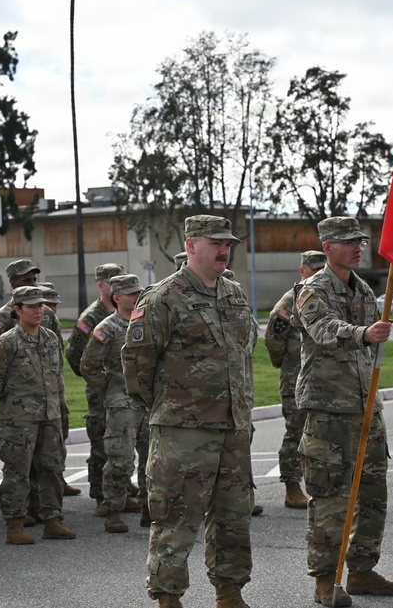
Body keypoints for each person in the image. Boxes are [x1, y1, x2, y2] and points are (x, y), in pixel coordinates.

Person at [123, 215, 255, 608]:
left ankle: (229, 592)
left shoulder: (234, 294)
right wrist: (170, 407)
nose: (223, 249)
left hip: (232, 426)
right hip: (184, 429)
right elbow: (136, 364)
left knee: (234, 518)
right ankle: (168, 597)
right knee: (176, 518)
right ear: (191, 244)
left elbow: (242, 354)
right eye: (215, 242)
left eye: (228, 243)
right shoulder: (164, 296)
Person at [293, 217, 393, 606]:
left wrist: (374, 335)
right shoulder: (311, 290)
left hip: (366, 405)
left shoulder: (364, 289)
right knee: (330, 496)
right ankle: (326, 580)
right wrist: (364, 333)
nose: (358, 247)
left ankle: (361, 570)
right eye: (347, 241)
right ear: (327, 247)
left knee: (373, 491)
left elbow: (370, 346)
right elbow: (323, 329)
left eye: (360, 240)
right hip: (328, 409)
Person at [0, 286, 74, 545]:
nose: (38, 310)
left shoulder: (51, 338)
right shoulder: (7, 341)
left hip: (50, 415)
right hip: (19, 419)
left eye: (40, 305)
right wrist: (14, 400)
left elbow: (57, 376)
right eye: (32, 306)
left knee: (52, 468)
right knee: (17, 471)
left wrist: (57, 408)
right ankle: (15, 523)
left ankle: (52, 520)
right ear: (17, 310)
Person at [80, 274, 149, 534]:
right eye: (130, 293)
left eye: (137, 292)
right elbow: (88, 364)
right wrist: (108, 387)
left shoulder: (148, 322)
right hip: (121, 402)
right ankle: (113, 510)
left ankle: (148, 507)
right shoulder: (107, 327)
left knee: (151, 459)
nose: (136, 297)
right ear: (117, 298)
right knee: (120, 459)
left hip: (148, 400)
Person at [66, 263, 130, 516]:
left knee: (121, 445)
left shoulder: (127, 311)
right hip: (101, 394)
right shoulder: (91, 317)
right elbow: (74, 355)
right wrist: (99, 383)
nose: (116, 284)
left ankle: (121, 491)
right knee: (102, 445)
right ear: (101, 286)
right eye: (111, 281)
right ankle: (101, 496)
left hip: (123, 393)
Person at [265, 249, 326, 510]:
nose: (319, 275)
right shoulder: (290, 302)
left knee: (325, 434)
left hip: (325, 379)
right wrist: (286, 365)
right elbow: (272, 338)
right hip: (296, 379)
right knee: (296, 432)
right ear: (302, 271)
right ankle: (292, 486)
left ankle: (322, 485)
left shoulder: (328, 298)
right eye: (314, 270)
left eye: (323, 270)